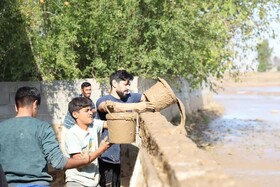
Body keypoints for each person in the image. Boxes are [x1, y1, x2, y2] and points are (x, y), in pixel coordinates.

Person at [0, 86, 98, 187]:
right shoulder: (42, 128)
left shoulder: (1, 128)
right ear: (35, 104)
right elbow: (58, 163)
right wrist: (85, 161)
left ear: (16, 107)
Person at [96, 70, 155, 187]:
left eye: (129, 84)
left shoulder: (130, 97)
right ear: (114, 83)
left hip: (122, 159)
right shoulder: (103, 100)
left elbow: (149, 98)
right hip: (107, 157)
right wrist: (137, 106)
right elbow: (108, 107)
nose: (128, 87)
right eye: (125, 84)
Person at [64, 97, 111, 187]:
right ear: (75, 114)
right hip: (77, 182)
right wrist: (101, 150)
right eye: (86, 110)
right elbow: (79, 163)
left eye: (90, 110)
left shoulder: (93, 124)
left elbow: (111, 125)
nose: (91, 113)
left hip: (94, 182)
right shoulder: (72, 134)